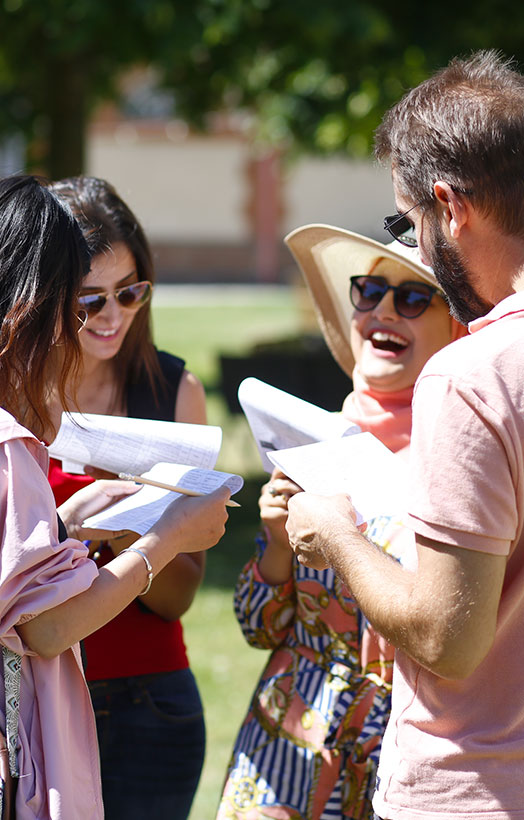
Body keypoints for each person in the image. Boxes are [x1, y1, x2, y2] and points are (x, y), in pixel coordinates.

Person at [285, 50, 524, 820]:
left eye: (409, 221)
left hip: (474, 785)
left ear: (449, 206)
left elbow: (445, 635)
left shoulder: (470, 374)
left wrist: (333, 536)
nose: (414, 248)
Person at [0, 173, 230, 820]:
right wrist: (156, 534)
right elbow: (41, 625)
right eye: (87, 301)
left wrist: (93, 529)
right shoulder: (14, 432)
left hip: (144, 700)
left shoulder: (169, 389)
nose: (111, 317)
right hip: (41, 696)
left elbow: (178, 596)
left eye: (130, 293)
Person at [217, 223, 465, 819]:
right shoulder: (318, 437)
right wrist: (277, 540)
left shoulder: (463, 459)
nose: (382, 310)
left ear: (455, 326)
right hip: (285, 751)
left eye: (410, 297)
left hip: (401, 757)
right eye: (368, 291)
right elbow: (260, 626)